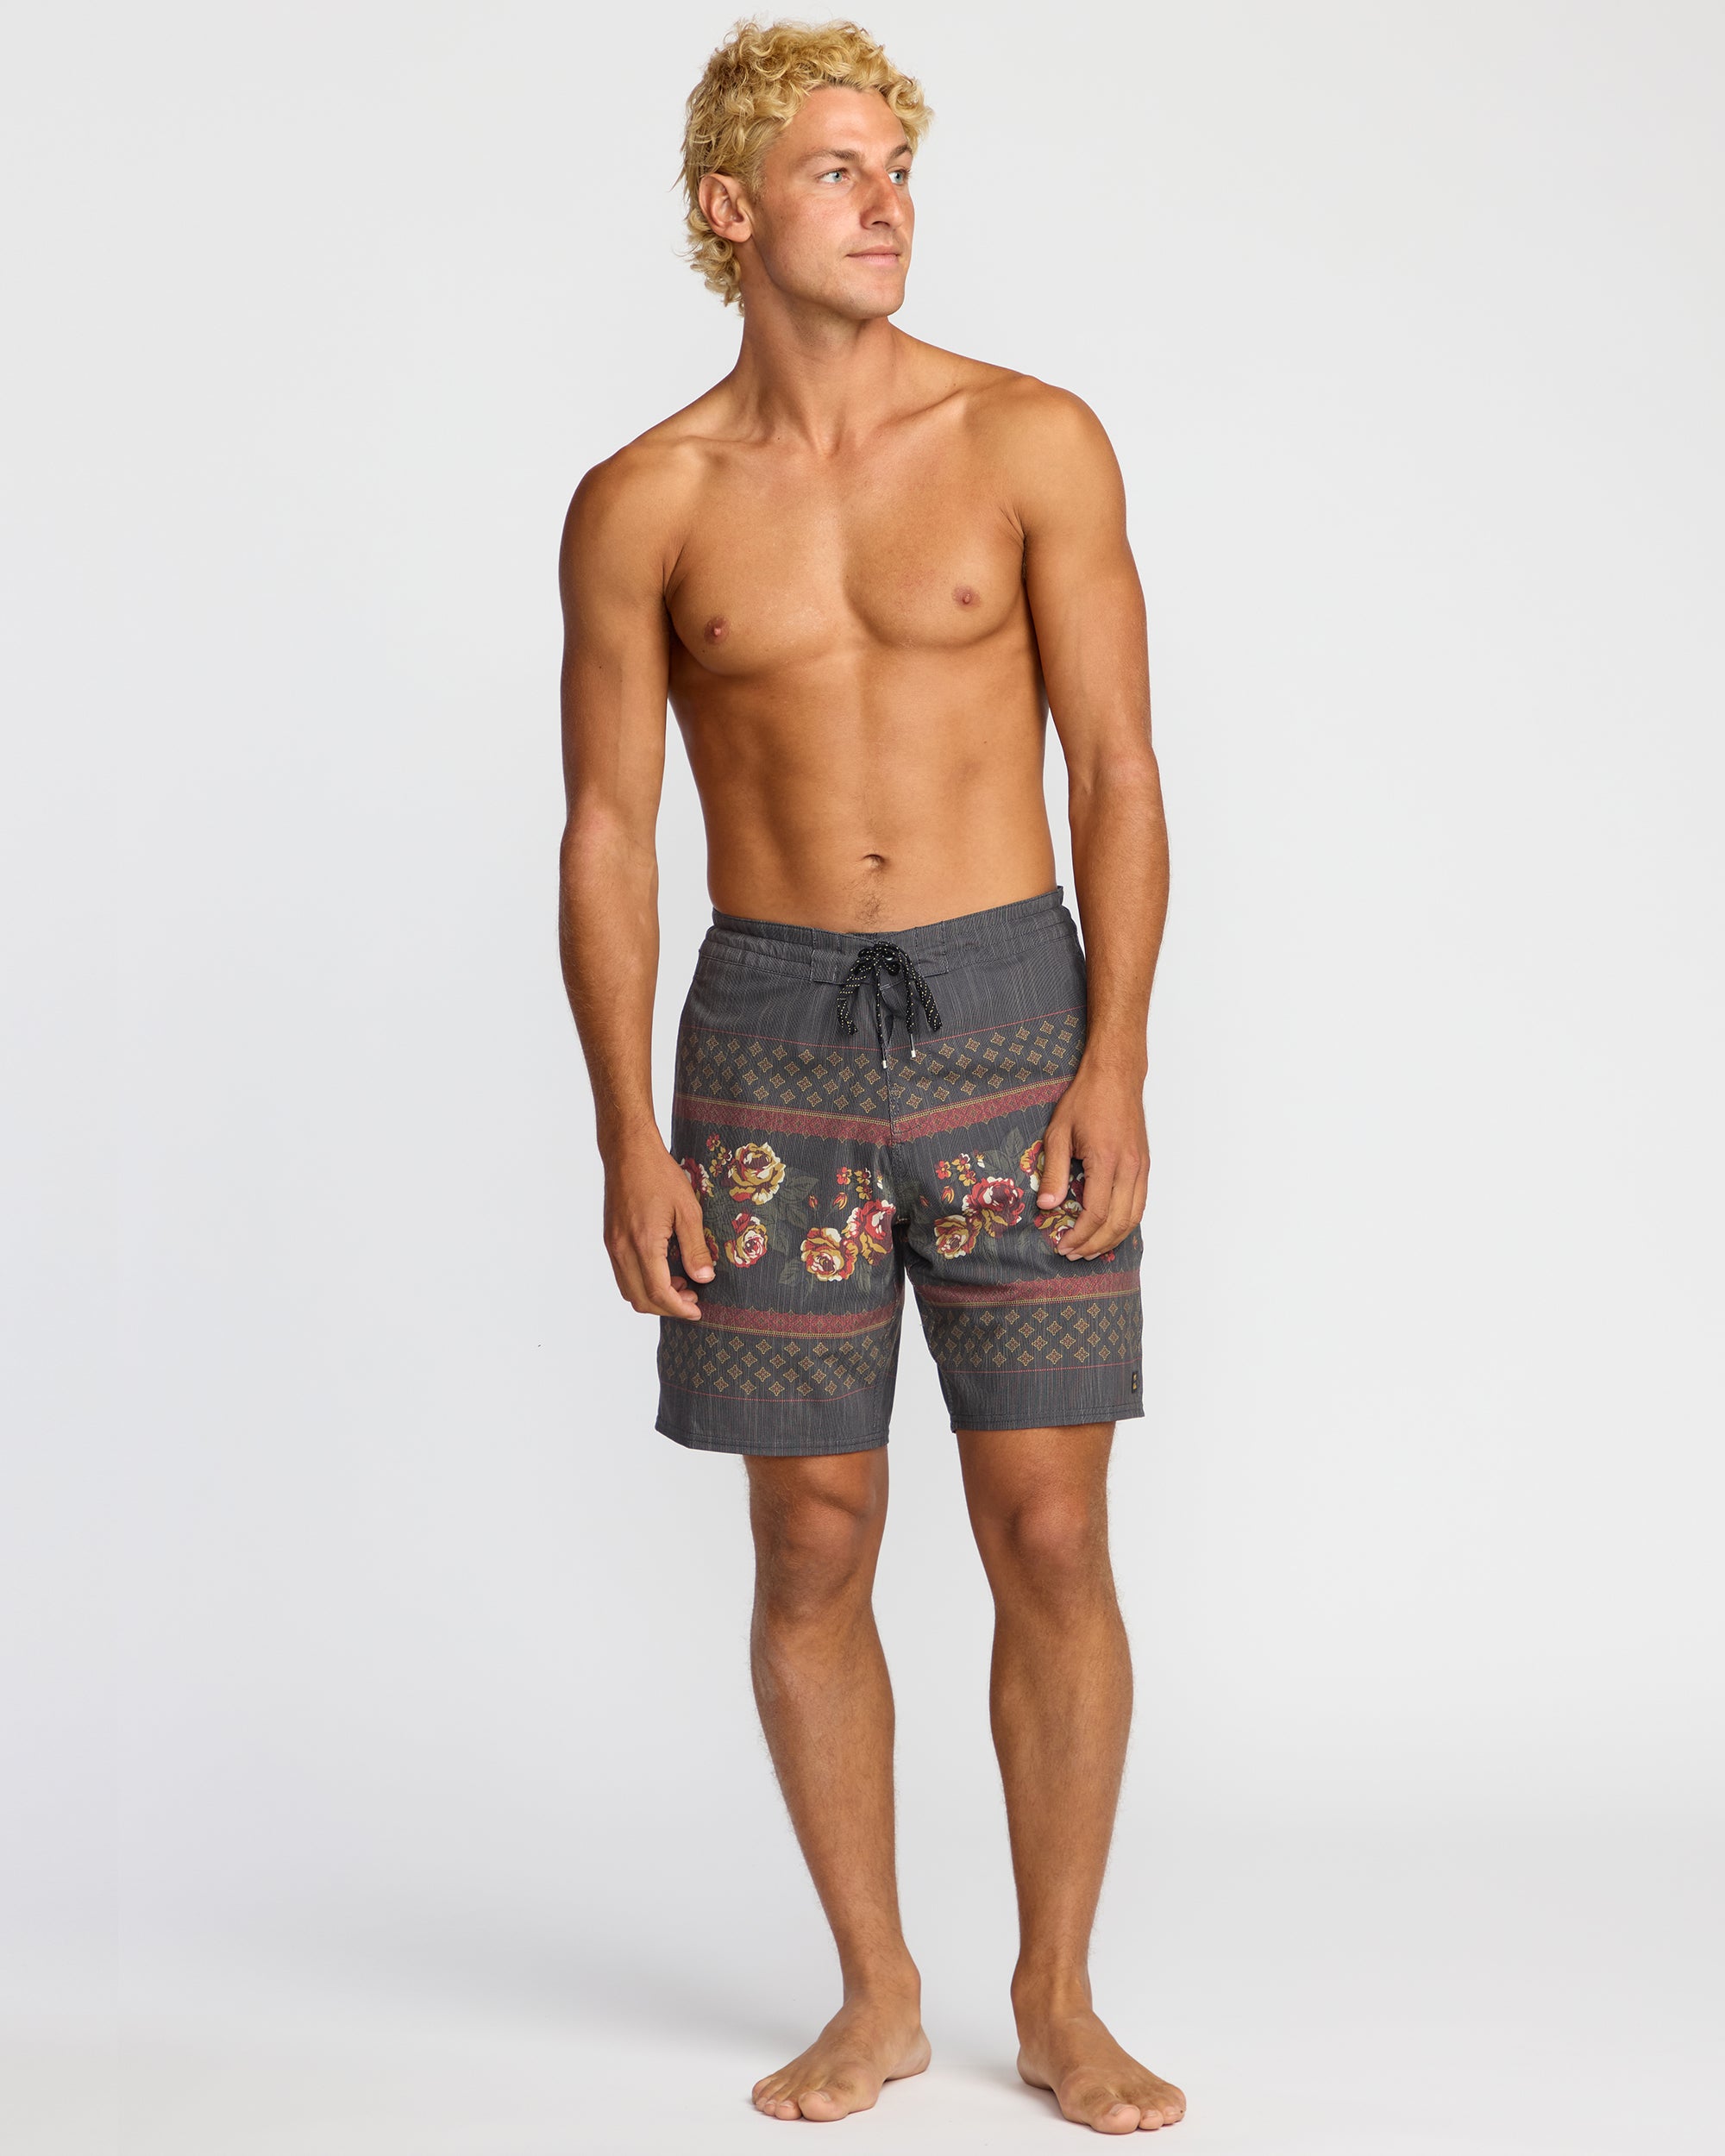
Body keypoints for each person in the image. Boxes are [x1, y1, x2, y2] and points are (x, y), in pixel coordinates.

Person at [556, 17, 1180, 2136]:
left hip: (1014, 1010)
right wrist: (625, 1127)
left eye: (898, 166)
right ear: (729, 209)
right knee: (812, 1531)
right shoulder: (643, 500)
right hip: (765, 1037)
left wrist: (1115, 1052)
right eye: (838, 169)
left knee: (1051, 1525)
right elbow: (607, 832)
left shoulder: (1030, 441)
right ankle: (878, 1988)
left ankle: (1058, 1994)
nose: (886, 200)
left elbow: (1118, 769)